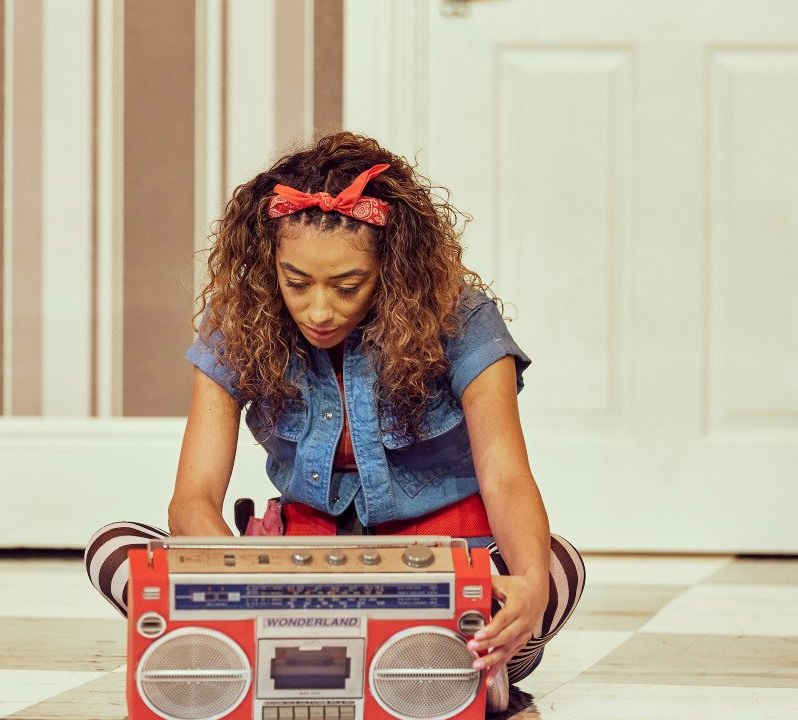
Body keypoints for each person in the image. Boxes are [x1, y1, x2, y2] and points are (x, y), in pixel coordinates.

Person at [85, 132, 584, 712]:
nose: (320, 310)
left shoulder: (464, 322)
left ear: (392, 270)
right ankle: (424, 671)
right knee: (114, 548)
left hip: (440, 564)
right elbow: (192, 499)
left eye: (348, 286)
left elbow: (505, 475)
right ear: (271, 265)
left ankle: (455, 655)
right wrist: (241, 587)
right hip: (299, 571)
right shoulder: (237, 324)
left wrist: (525, 584)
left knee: (555, 562)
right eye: (296, 282)